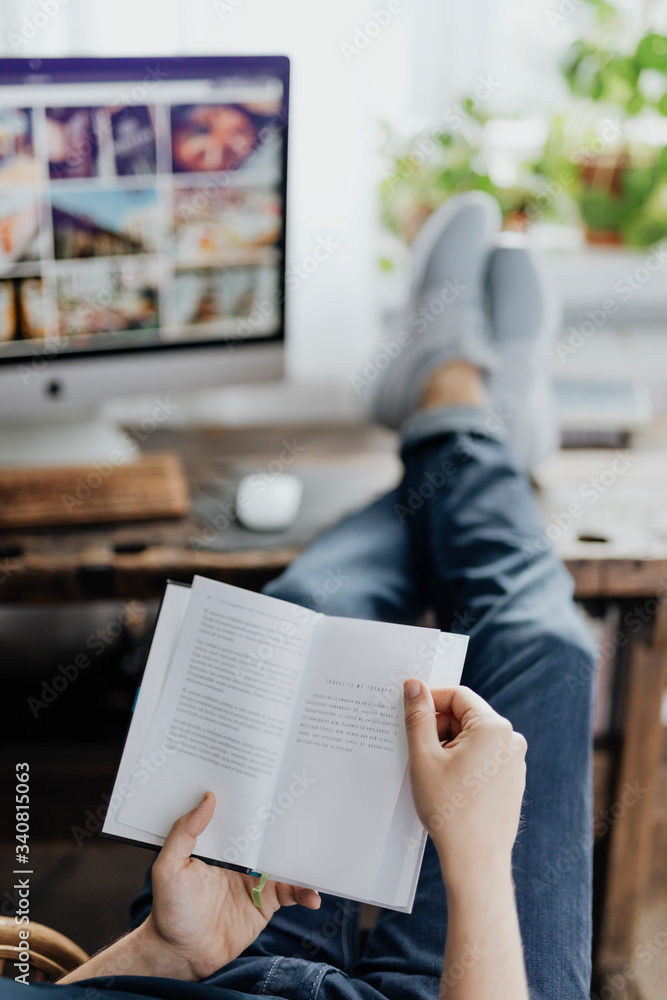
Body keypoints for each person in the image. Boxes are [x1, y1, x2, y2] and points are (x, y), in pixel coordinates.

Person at [5, 193, 595, 1000]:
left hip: (214, 945)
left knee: (306, 618)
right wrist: (481, 863)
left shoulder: (183, 944)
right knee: (544, 646)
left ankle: (454, 405)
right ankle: (462, 406)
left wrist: (160, 951)